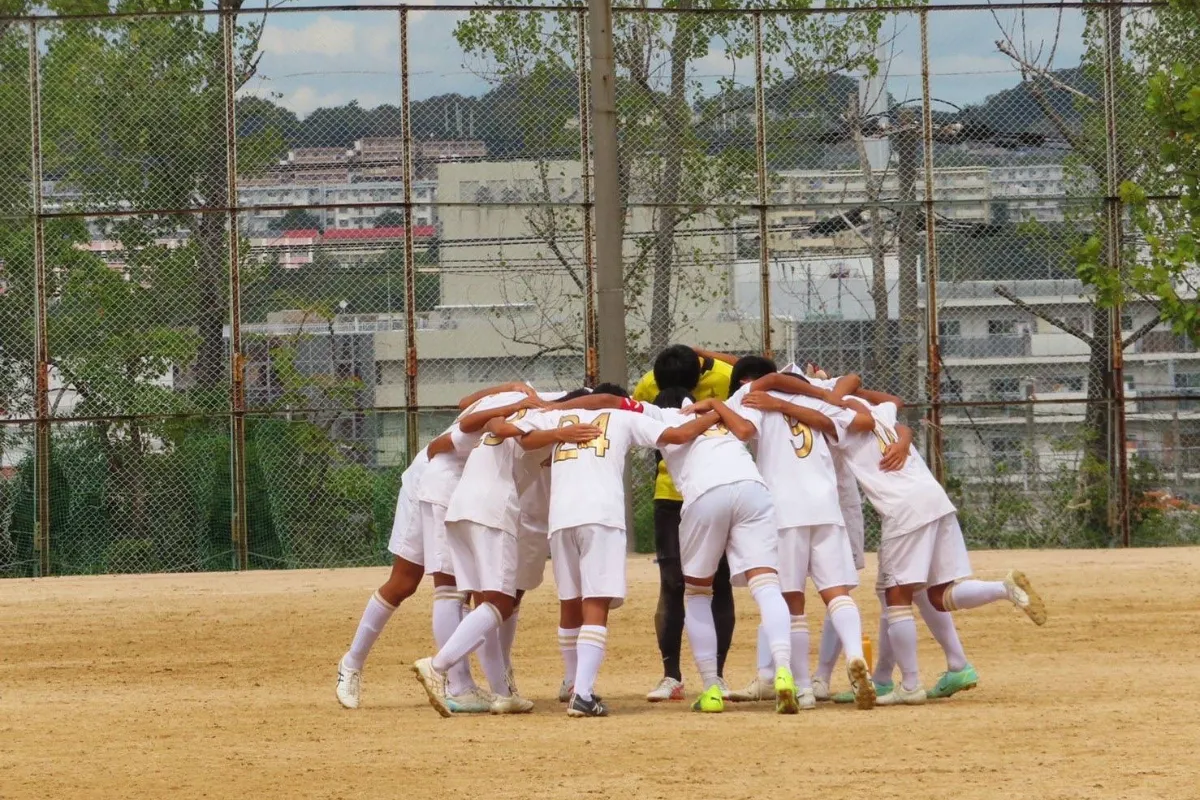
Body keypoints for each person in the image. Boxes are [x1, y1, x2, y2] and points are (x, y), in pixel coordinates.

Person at [486, 391, 720, 717]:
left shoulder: (558, 418)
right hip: (601, 516)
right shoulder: (623, 416)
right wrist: (718, 413)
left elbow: (516, 435)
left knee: (570, 602)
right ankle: (582, 694)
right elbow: (679, 435)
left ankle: (573, 683)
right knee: (596, 602)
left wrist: (556, 433)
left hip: (561, 518)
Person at [828, 393, 1047, 705]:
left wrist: (825, 393)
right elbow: (894, 401)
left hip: (903, 509)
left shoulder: (839, 419)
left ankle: (909, 685)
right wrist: (902, 434)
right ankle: (1003, 589)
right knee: (936, 595)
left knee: (895, 597)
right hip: (934, 498)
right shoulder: (880, 414)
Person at [335, 382, 538, 712]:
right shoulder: (524, 406)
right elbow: (442, 442)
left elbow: (464, 401)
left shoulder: (530, 402)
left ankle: (474, 685)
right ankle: (359, 666)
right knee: (432, 586)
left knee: (460, 589)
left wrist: (511, 390)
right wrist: (512, 400)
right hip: (439, 485)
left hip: (443, 483)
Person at [410, 402, 603, 718]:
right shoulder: (538, 421)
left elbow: (489, 426)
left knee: (488, 602)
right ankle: (437, 665)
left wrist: (519, 409)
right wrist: (559, 432)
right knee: (500, 603)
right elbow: (525, 438)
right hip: (493, 511)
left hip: (460, 509)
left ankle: (502, 693)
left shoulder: (505, 418)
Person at [710, 365, 879, 710]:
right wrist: (817, 401)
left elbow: (742, 430)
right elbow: (861, 422)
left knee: (792, 602)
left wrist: (718, 405)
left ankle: (802, 687)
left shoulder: (756, 398)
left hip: (784, 510)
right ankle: (854, 658)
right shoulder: (820, 404)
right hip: (827, 508)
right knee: (837, 593)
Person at [644, 387, 800, 714]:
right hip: (752, 487)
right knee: (768, 584)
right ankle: (785, 671)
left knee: (698, 592)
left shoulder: (658, 417)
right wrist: (716, 406)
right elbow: (760, 382)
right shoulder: (724, 411)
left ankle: (712, 688)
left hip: (706, 492)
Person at [632, 345, 737, 702]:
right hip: (670, 492)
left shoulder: (725, 377)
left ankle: (718, 675)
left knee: (718, 581)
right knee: (672, 582)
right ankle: (671, 675)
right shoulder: (649, 383)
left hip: (714, 490)